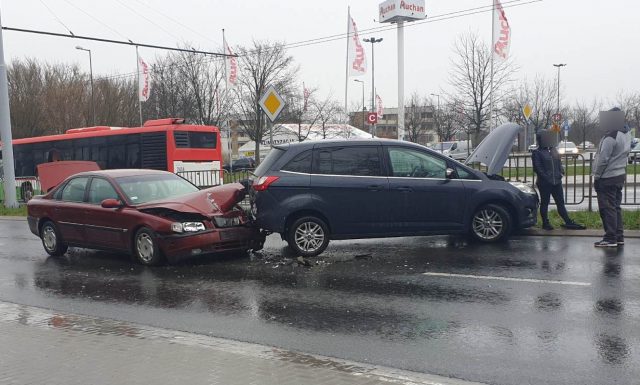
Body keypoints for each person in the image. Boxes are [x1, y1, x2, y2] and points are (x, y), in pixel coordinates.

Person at [531, 129, 586, 231]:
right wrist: (547, 178)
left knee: (560, 202)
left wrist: (561, 172)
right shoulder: (537, 152)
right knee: (545, 203)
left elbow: (558, 162)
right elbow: (537, 168)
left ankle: (568, 222)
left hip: (556, 181)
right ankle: (545, 223)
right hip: (544, 183)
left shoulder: (553, 150)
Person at [592, 108, 632, 247]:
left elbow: (603, 159)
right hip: (619, 175)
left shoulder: (611, 137)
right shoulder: (626, 134)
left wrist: (596, 176)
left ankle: (610, 238)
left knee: (607, 208)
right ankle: (618, 236)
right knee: (616, 208)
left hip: (607, 177)